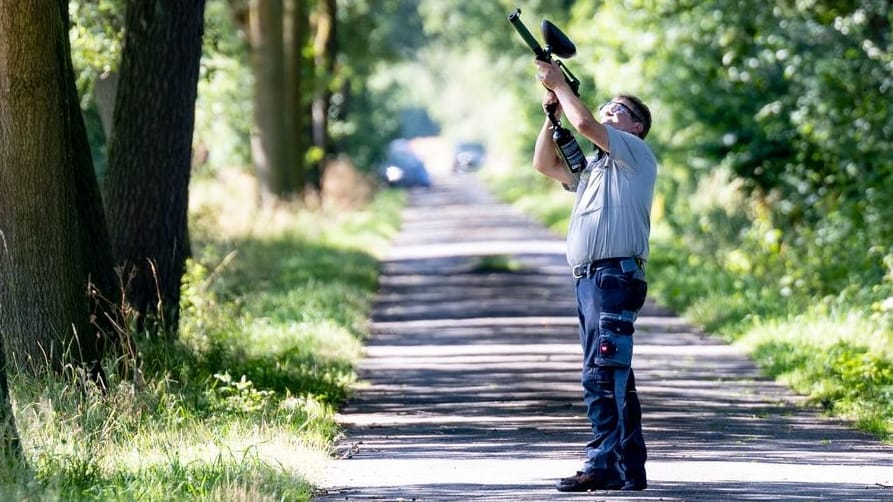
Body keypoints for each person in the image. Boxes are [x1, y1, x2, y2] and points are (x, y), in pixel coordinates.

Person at [531, 58, 657, 492]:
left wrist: (564, 88)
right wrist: (551, 114)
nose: (607, 110)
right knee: (615, 371)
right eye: (605, 105)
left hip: (613, 277)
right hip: (590, 279)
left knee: (602, 373)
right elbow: (544, 164)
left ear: (637, 127)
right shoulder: (597, 169)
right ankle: (629, 467)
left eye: (618, 109)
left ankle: (603, 463)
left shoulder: (634, 154)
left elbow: (584, 123)